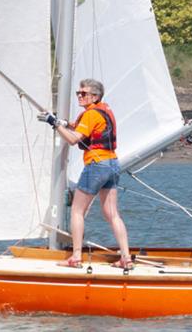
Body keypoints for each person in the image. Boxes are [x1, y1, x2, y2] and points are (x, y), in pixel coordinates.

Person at [37, 79, 131, 269]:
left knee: (77, 211)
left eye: (83, 94)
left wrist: (54, 123)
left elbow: (73, 140)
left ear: (95, 96)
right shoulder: (104, 110)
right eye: (78, 93)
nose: (79, 96)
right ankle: (126, 258)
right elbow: (81, 128)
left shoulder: (90, 115)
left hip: (96, 166)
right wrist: (64, 123)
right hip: (112, 164)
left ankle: (76, 257)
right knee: (112, 214)